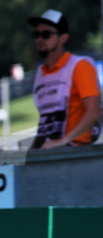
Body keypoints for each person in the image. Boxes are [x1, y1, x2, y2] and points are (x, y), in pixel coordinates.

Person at [28, 9, 100, 149]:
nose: (40, 39)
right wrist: (31, 152)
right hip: (51, 155)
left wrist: (61, 141)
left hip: (75, 155)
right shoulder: (41, 74)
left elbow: (94, 112)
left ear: (63, 38)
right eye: (36, 34)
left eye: (46, 34)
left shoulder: (80, 66)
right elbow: (46, 125)